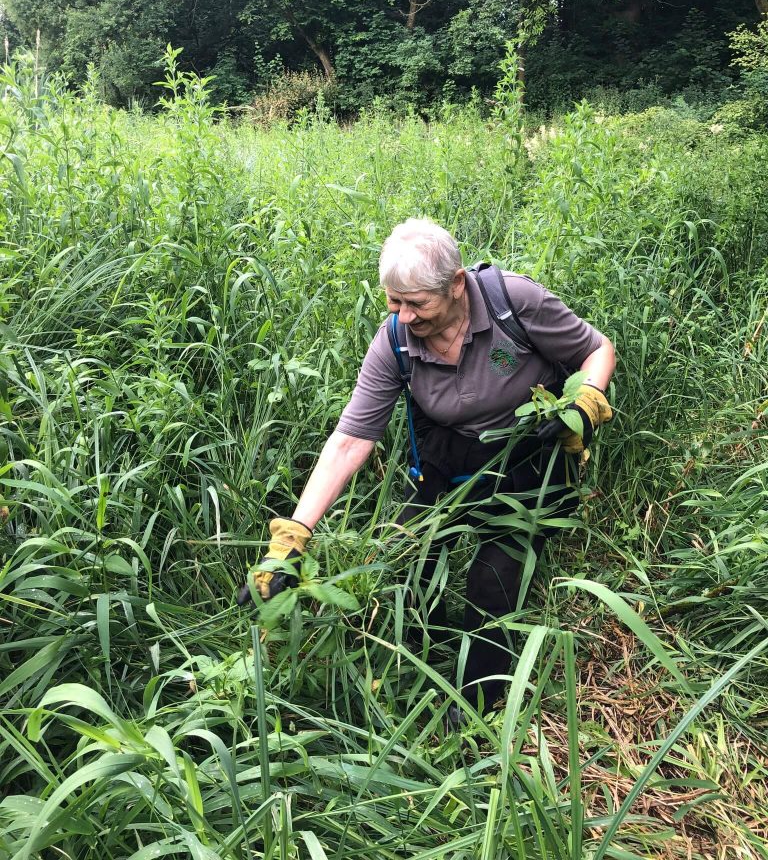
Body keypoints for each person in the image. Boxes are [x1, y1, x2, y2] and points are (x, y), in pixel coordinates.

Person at [239, 218, 615, 714]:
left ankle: (478, 698)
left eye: (418, 303)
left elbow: (596, 348)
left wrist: (587, 400)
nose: (404, 315)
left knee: (492, 579)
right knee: (403, 555)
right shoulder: (395, 339)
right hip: (447, 459)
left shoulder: (514, 303)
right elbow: (351, 439)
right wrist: (292, 537)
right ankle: (421, 655)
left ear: (457, 284)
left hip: (528, 454)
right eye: (394, 301)